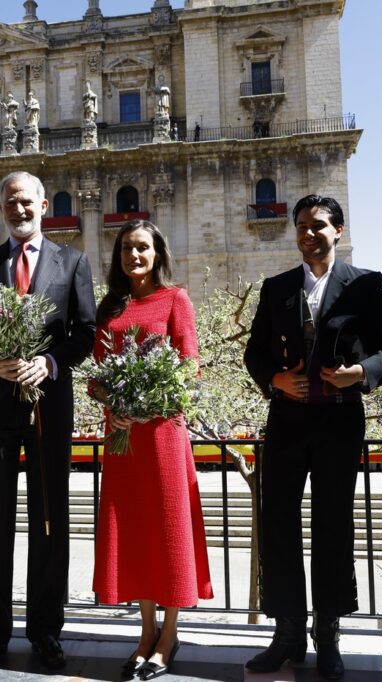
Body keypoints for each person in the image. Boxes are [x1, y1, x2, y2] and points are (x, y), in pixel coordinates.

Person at [243, 195, 382, 680]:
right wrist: (274, 380)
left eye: (318, 226)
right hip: (287, 422)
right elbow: (255, 354)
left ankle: (328, 635)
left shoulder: (366, 285)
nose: (308, 234)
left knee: (333, 526)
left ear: (338, 230)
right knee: (279, 528)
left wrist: (362, 372)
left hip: (338, 421)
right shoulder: (276, 288)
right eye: (301, 226)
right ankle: (287, 634)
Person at [0, 171, 96, 674]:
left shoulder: (73, 262)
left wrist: (52, 362)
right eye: (9, 201)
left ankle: (45, 632)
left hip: (48, 409)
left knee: (49, 522)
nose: (19, 209)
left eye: (27, 201)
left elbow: (85, 334)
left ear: (44, 204)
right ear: (1, 207)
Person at [92, 220, 213, 680]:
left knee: (167, 528)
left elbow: (189, 367)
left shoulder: (175, 299)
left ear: (157, 253)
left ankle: (169, 635)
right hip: (123, 438)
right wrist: (114, 404)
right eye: (126, 248)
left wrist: (150, 403)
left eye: (142, 248)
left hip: (163, 434)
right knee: (136, 530)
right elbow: (97, 378)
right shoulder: (111, 307)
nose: (133, 256)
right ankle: (145, 632)